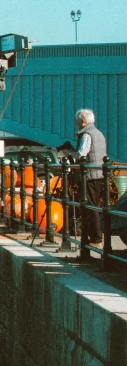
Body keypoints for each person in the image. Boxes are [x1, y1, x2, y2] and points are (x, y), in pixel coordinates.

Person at [71, 109, 107, 259]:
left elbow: (81, 154)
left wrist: (70, 153)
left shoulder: (86, 134)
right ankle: (92, 240)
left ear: (83, 121)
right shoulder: (98, 133)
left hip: (90, 176)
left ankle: (96, 238)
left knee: (90, 206)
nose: (77, 124)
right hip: (99, 174)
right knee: (93, 206)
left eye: (78, 121)